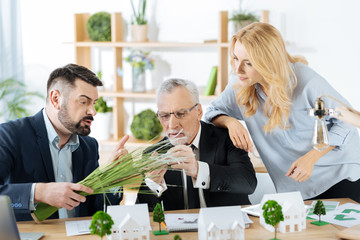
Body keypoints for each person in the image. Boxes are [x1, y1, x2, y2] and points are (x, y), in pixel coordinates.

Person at [204, 22, 360, 202]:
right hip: (297, 188)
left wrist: (312, 157)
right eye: (235, 58)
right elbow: (213, 111)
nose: (238, 69)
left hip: (341, 177)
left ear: (268, 61)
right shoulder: (239, 84)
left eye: (248, 63)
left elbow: (348, 120)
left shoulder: (307, 81)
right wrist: (230, 122)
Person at [0, 64, 127, 221]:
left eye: (94, 103)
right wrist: (39, 193)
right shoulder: (10, 135)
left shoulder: (89, 146)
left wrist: (113, 177)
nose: (93, 112)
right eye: (84, 102)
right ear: (56, 99)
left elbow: (97, 210)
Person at [137, 78, 257, 211]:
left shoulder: (226, 138)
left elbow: (248, 183)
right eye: (165, 116)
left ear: (199, 111)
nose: (172, 125)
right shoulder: (154, 154)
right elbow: (143, 213)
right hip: (181, 231)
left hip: (226, 227)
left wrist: (199, 170)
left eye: (181, 114)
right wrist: (152, 184)